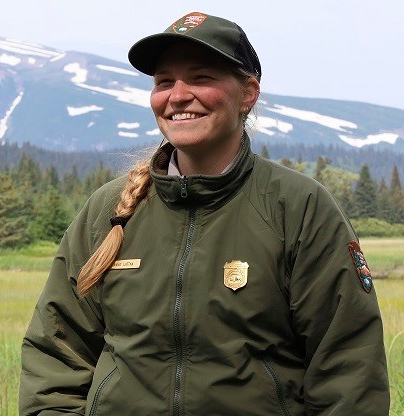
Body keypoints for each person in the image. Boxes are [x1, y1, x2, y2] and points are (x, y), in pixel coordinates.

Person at [19, 11, 390, 416]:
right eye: (164, 81)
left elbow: (348, 368)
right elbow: (55, 353)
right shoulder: (108, 212)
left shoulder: (298, 208)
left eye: (201, 78)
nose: (177, 95)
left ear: (248, 93)